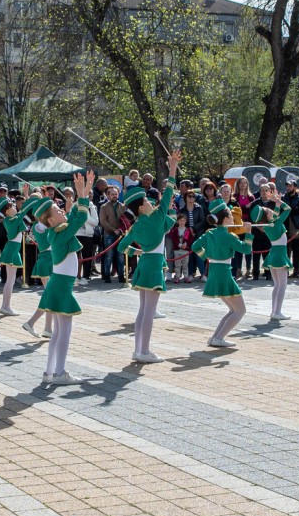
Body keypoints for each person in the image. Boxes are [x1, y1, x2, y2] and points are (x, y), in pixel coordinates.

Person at [117, 152, 181, 363]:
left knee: (143, 311)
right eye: (147, 200)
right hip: (153, 266)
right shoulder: (157, 217)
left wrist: (137, 252)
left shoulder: (136, 226)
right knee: (149, 313)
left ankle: (138, 350)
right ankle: (144, 351)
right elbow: (169, 190)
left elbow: (122, 247)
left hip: (144, 263)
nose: (151, 202)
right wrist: (173, 167)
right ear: (142, 207)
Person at [35, 171, 95, 385]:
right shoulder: (60, 233)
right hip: (61, 286)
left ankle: (49, 372)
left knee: (57, 333)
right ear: (51, 220)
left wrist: (83, 192)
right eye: (58, 210)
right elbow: (80, 218)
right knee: (64, 333)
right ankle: (60, 373)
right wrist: (81, 194)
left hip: (59, 285)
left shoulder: (57, 230)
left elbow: (74, 215)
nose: (62, 210)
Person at [192, 199, 253, 348]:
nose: (233, 218)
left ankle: (215, 337)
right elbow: (246, 250)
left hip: (214, 271)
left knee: (233, 309)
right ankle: (219, 338)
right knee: (240, 310)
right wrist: (248, 233)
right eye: (231, 216)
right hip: (224, 273)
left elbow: (195, 246)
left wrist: (206, 257)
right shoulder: (229, 236)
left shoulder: (210, 233)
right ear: (225, 219)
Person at [253, 188, 292, 320]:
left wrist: (276, 203)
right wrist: (279, 202)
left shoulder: (269, 224)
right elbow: (288, 209)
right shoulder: (275, 223)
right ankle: (277, 312)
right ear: (267, 216)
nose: (270, 210)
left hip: (274, 254)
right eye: (268, 210)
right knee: (282, 285)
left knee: (277, 285)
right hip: (279, 255)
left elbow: (276, 214)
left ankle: (274, 311)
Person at [23, 198, 54, 337]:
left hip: (50, 261)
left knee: (50, 296)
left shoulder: (44, 224)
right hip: (46, 262)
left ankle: (47, 328)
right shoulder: (39, 226)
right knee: (50, 296)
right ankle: (31, 323)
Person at [0, 185, 29, 315]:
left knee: (10, 280)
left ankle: (5, 306)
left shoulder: (11, 219)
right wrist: (26, 195)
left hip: (12, 249)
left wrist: (26, 195)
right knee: (10, 280)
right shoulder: (10, 220)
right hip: (12, 250)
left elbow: (22, 212)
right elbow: (24, 211)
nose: (15, 208)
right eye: (13, 207)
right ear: (7, 211)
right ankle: (6, 307)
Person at [99, 186, 125, 283]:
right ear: (108, 195)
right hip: (109, 234)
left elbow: (126, 219)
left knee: (120, 256)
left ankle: (121, 276)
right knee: (109, 255)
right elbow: (103, 221)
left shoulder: (123, 206)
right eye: (112, 194)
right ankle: (107, 276)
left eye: (116, 194)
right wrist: (114, 229)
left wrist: (121, 229)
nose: (114, 196)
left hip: (121, 235)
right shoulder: (104, 207)